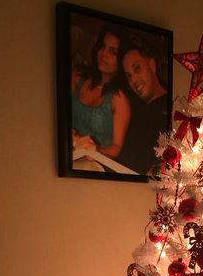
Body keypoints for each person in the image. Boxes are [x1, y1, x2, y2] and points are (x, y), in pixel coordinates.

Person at [71, 25, 131, 161]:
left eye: (113, 52)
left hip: (92, 164)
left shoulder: (118, 98)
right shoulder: (77, 76)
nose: (104, 54)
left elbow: (116, 147)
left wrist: (95, 151)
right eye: (102, 47)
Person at [117, 39, 168, 175]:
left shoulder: (174, 107)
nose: (133, 80)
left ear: (151, 65)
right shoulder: (133, 113)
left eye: (137, 68)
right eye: (128, 76)